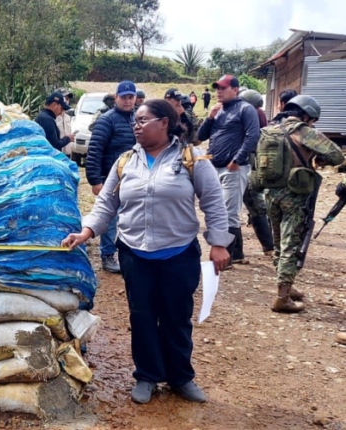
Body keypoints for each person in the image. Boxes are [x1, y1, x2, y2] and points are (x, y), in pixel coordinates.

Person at [63, 99, 232, 404]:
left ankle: (181, 377)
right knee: (142, 316)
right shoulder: (125, 161)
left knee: (176, 317)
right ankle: (147, 375)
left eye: (142, 121)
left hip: (178, 253)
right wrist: (86, 231)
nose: (136, 126)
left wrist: (218, 243)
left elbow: (214, 203)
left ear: (164, 123)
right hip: (135, 254)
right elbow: (106, 206)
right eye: (135, 122)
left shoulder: (191, 158)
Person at [253, 95, 345, 312]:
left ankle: (286, 284)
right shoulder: (305, 132)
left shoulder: (270, 129)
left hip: (270, 192)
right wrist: (320, 159)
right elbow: (337, 156)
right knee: (291, 245)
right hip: (294, 194)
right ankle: (282, 297)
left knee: (278, 242)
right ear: (307, 115)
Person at [197, 75, 260, 267]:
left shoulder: (245, 109)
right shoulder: (218, 110)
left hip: (233, 168)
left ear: (235, 89)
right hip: (214, 167)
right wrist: (209, 118)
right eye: (217, 88)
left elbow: (252, 136)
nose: (219, 91)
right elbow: (200, 136)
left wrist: (237, 160)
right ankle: (238, 253)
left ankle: (228, 258)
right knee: (217, 209)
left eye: (223, 88)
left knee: (229, 212)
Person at [85, 81, 137, 273]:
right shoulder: (107, 120)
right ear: (116, 98)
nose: (127, 101)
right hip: (110, 179)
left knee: (131, 218)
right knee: (110, 218)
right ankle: (107, 255)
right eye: (124, 97)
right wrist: (95, 180)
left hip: (134, 179)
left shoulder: (138, 118)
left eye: (130, 97)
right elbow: (95, 151)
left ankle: (129, 254)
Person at [239, 89, 274, 255]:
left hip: (245, 164)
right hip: (255, 164)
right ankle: (268, 245)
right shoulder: (260, 114)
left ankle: (236, 253)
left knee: (234, 208)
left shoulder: (248, 115)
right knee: (256, 205)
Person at [56, 90, 76, 156]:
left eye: (67, 99)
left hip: (67, 153)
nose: (66, 101)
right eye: (64, 98)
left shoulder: (68, 117)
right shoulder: (52, 118)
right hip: (56, 153)